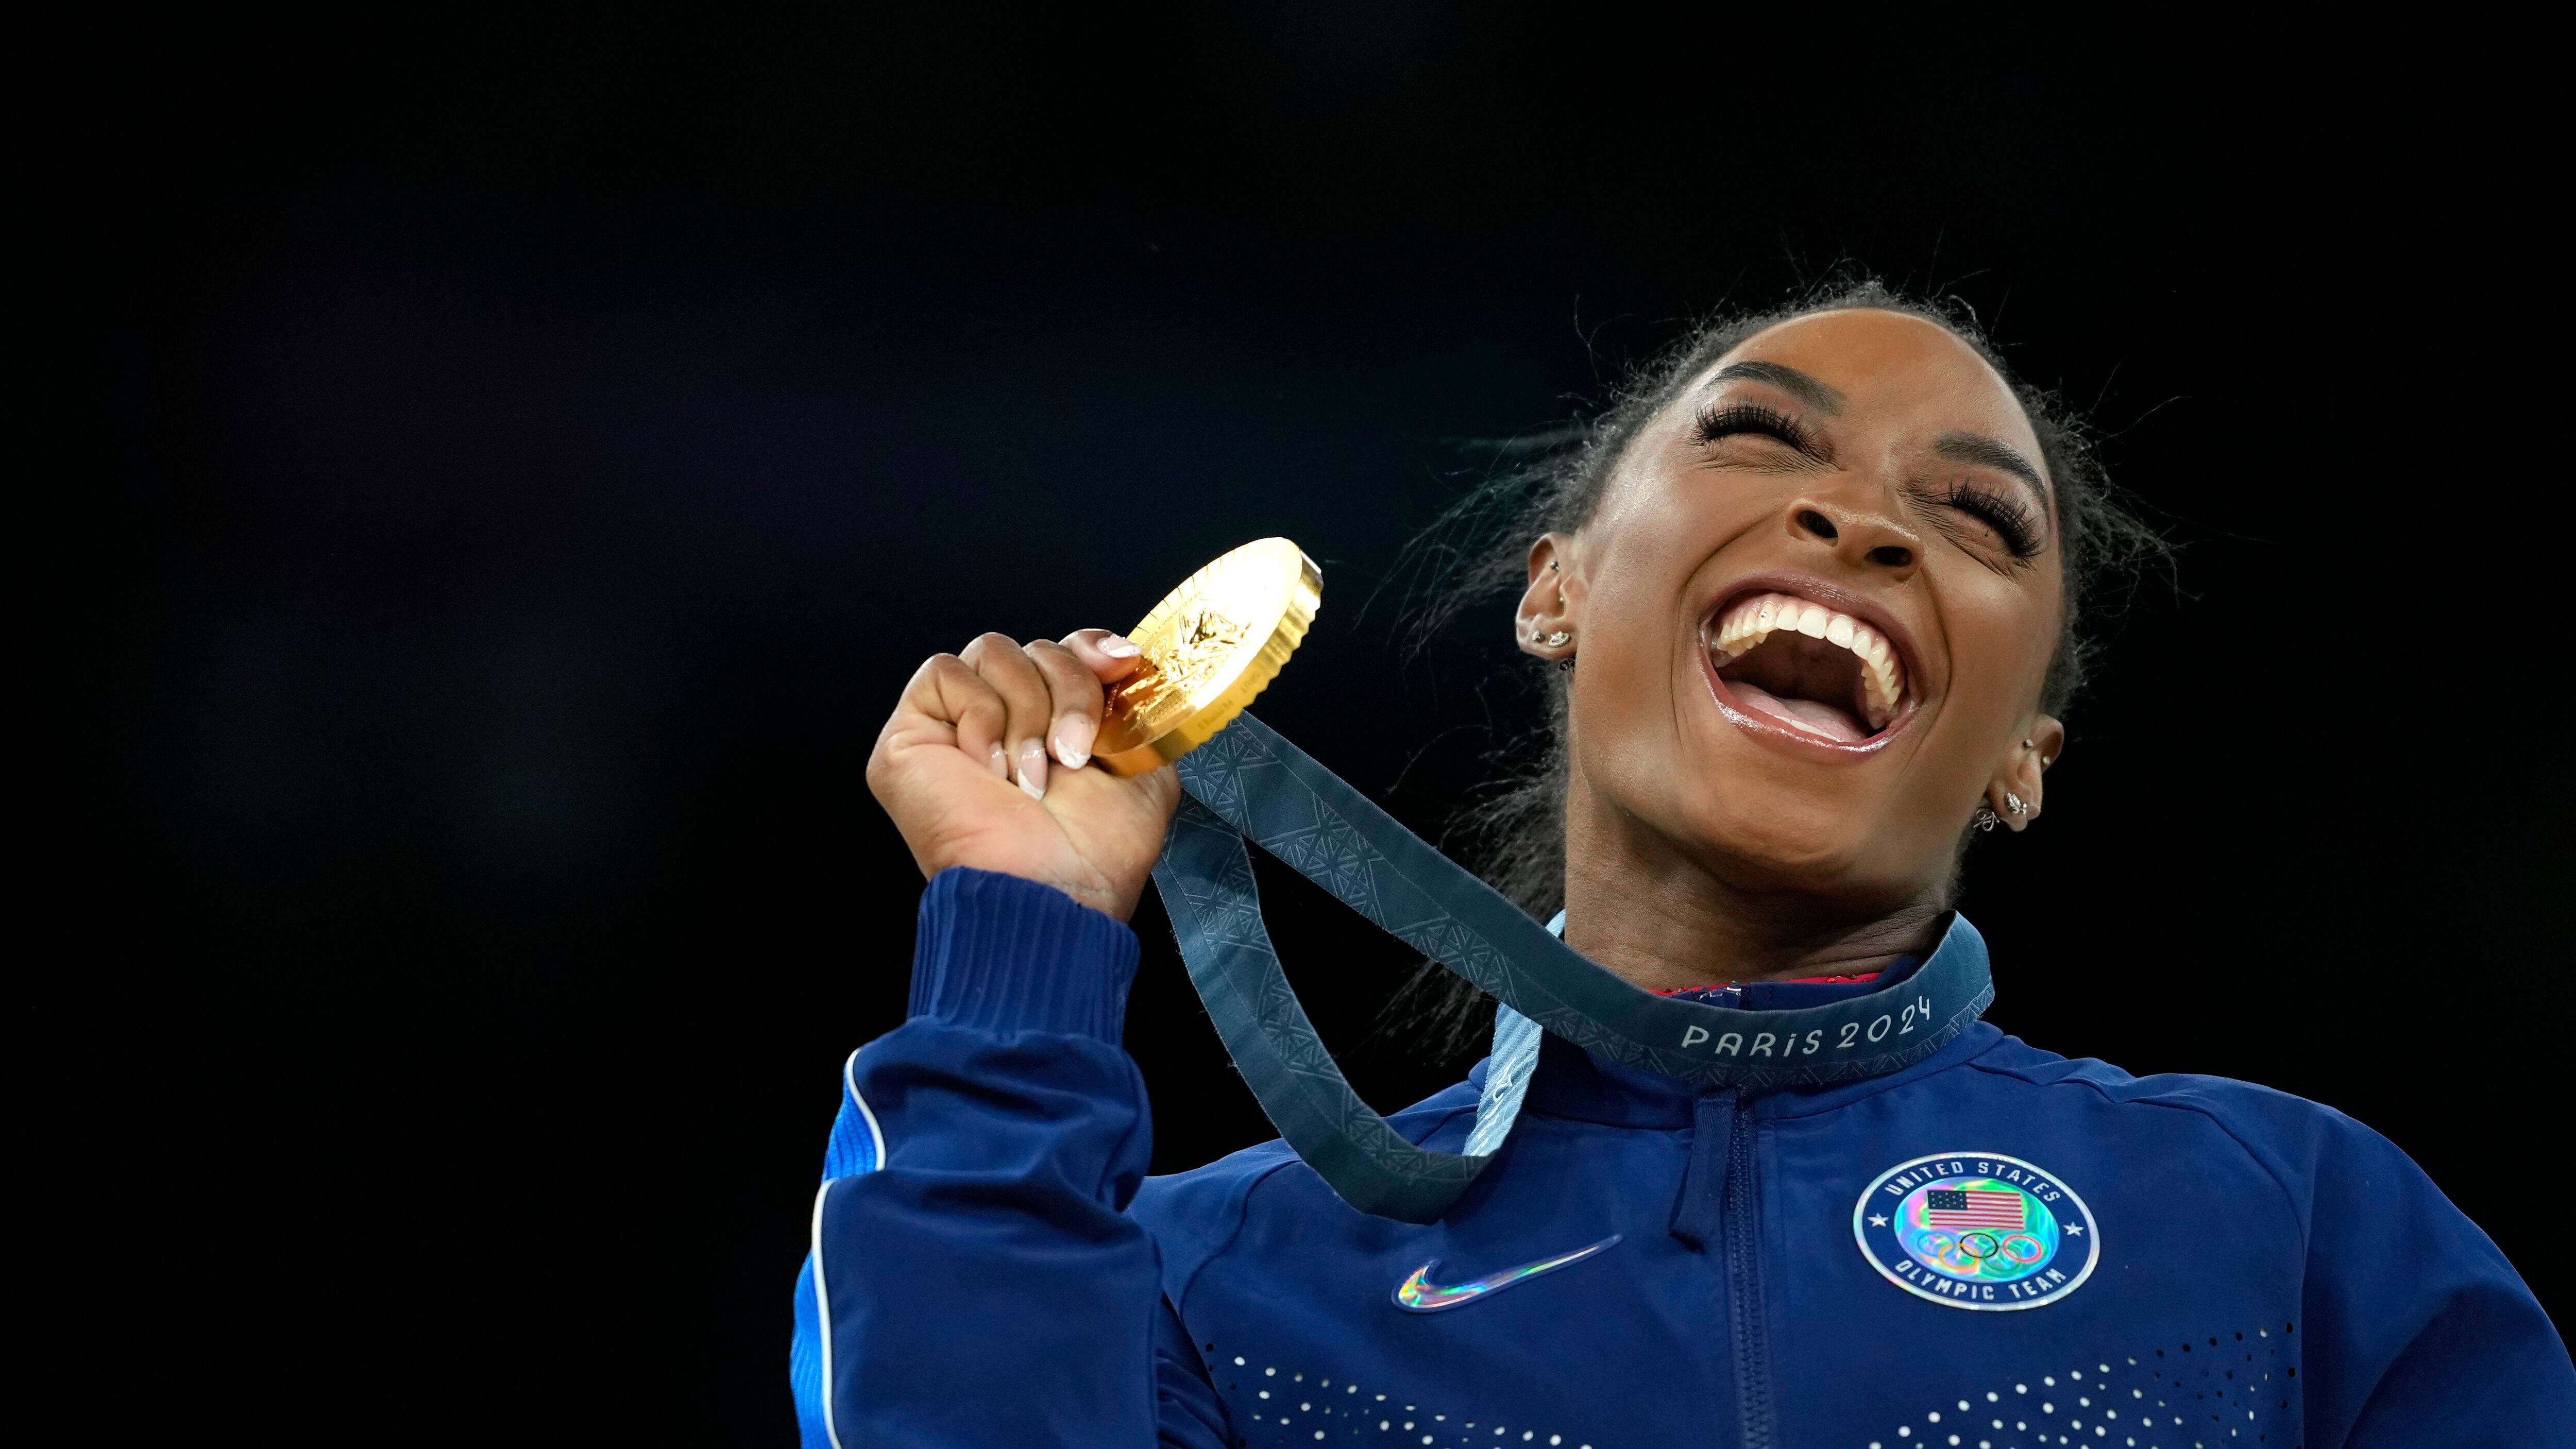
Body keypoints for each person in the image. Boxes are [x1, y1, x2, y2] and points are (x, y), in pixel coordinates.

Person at [792, 286, 2573, 1447]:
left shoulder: (2302, 1236)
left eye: (1977, 521)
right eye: (1760, 437)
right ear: (1557, 592)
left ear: (2026, 757)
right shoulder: (1217, 1285)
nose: (1863, 521)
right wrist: (1019, 939)